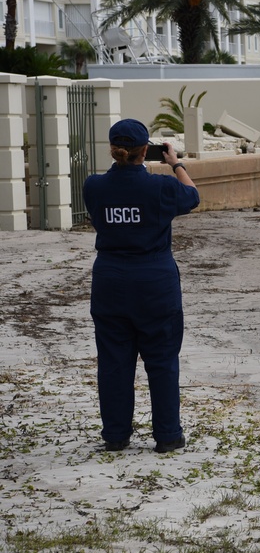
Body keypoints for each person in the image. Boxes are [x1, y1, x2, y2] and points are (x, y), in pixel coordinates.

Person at [83, 119, 199, 453]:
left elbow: (106, 201)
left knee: (114, 361)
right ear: (145, 150)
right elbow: (192, 196)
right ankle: (167, 435)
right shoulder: (161, 187)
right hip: (154, 282)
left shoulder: (94, 186)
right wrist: (175, 163)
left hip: (110, 280)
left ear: (113, 150)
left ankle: (116, 435)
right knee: (162, 359)